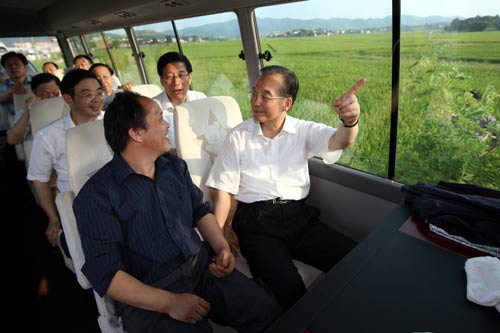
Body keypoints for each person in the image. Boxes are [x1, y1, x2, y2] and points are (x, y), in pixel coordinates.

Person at [73, 91, 281, 333]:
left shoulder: (173, 166)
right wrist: (169, 302)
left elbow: (200, 211)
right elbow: (106, 274)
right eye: (160, 119)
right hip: (150, 291)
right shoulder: (96, 196)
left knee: (266, 311)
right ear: (136, 133)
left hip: (202, 267)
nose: (167, 125)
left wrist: (221, 247)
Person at [206, 65, 365, 310]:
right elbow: (223, 193)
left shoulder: (303, 130)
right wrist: (218, 242)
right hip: (256, 225)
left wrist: (350, 119)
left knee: (356, 261)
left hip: (299, 218)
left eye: (265, 96)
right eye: (254, 93)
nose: (255, 101)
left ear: (286, 104)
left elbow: (342, 140)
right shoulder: (238, 137)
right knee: (290, 293)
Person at [27, 69, 105, 247]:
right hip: (79, 204)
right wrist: (54, 219)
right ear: (68, 99)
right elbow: (39, 180)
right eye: (87, 95)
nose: (97, 99)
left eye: (99, 92)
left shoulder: (113, 123)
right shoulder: (48, 136)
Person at [153, 51, 206, 153]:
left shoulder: (201, 99)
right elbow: (153, 148)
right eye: (169, 77)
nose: (176, 82)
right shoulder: (153, 108)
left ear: (190, 77)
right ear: (161, 80)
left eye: (181, 75)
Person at [7, 73, 61, 145]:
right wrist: (27, 112)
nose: (51, 96)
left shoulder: (68, 105)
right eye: (45, 93)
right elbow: (12, 140)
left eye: (54, 92)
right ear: (34, 92)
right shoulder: (26, 111)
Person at [0, 52, 32, 117]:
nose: (13, 67)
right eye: (9, 65)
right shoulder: (2, 86)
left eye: (16, 64)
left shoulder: (38, 81)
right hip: (15, 121)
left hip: (39, 116)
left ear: (25, 67)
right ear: (5, 69)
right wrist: (10, 92)